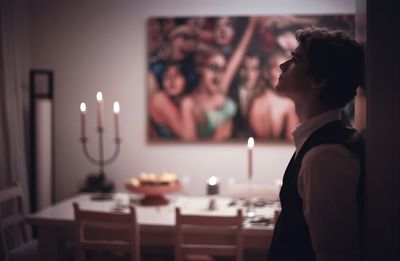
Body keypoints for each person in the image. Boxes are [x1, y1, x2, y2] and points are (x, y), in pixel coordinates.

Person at [268, 27, 364, 261]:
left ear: (319, 79)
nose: (283, 66)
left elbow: (335, 253)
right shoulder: (319, 143)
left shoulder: (325, 157)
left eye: (295, 60)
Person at [250, 52, 298, 141]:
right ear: (267, 72)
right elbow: (290, 144)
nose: (284, 74)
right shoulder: (288, 105)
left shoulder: (254, 101)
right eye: (278, 69)